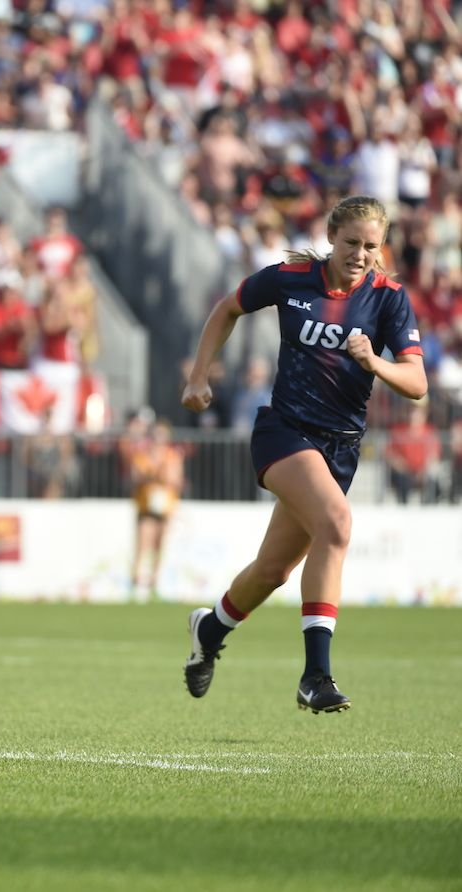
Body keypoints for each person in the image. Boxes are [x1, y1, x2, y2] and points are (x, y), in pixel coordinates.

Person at [181, 195, 427, 714]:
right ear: (332, 236)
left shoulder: (388, 298)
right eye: (352, 242)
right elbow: (228, 307)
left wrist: (375, 363)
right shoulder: (291, 278)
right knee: (336, 524)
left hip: (340, 448)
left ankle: (210, 628)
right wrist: (199, 375)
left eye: (371, 246)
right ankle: (316, 676)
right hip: (285, 432)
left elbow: (417, 382)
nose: (360, 254)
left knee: (272, 570)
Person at [126, 418, 184, 599]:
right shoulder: (141, 456)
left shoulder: (172, 456)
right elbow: (136, 477)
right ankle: (136, 582)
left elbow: (175, 480)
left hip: (165, 507)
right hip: (146, 506)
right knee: (143, 544)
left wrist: (160, 475)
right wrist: (153, 475)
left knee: (160, 545)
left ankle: (155, 582)